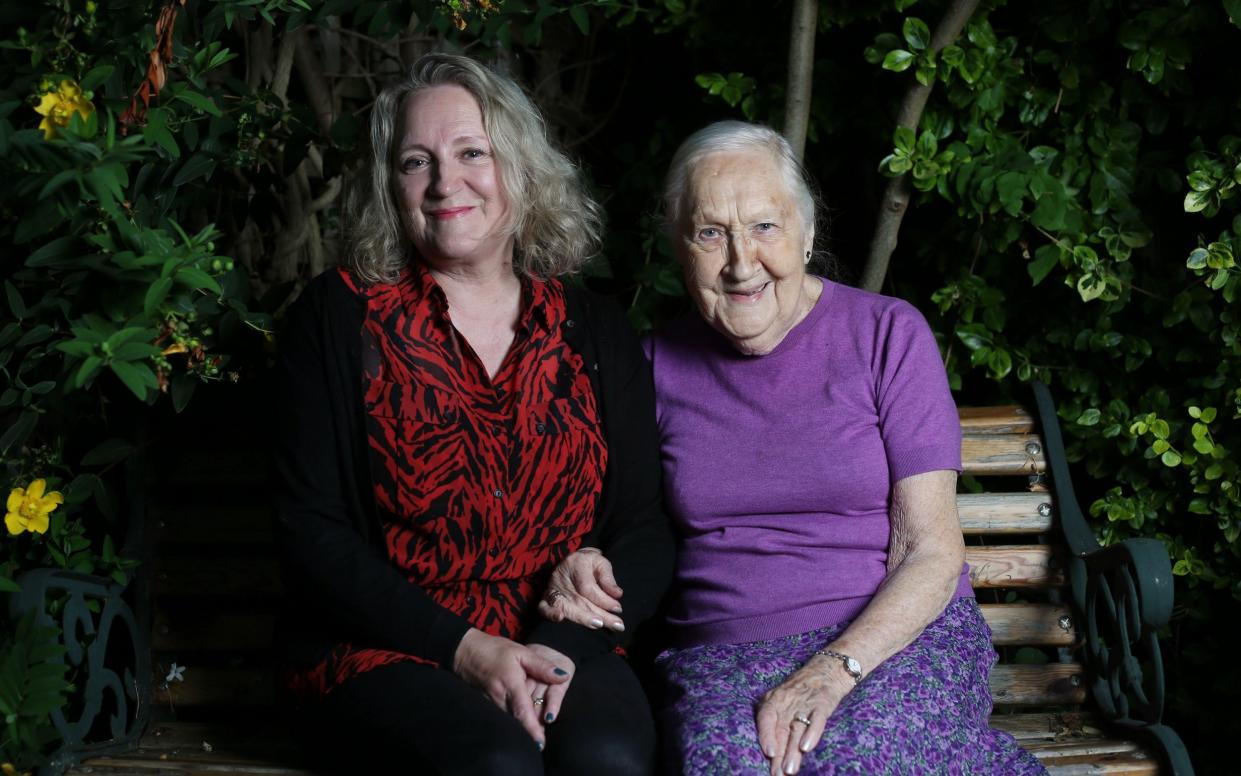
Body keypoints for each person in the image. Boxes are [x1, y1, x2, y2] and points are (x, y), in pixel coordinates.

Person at [544, 121, 1047, 775]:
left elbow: (928, 548)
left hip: (890, 636)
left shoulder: (885, 335)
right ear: (678, 247)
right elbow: (618, 523)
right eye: (708, 232)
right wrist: (580, 561)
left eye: (763, 227)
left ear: (805, 235)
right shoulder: (649, 369)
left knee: (877, 759)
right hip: (724, 652)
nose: (739, 262)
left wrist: (834, 670)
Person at [271, 52, 673, 776]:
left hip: (557, 638)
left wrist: (563, 640)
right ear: (391, 187)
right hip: (385, 647)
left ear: (517, 168)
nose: (444, 184)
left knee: (608, 758)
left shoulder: (595, 330)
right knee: (497, 764)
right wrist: (467, 650)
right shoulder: (337, 320)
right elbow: (312, 535)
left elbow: (643, 527)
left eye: (471, 153)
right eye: (415, 163)